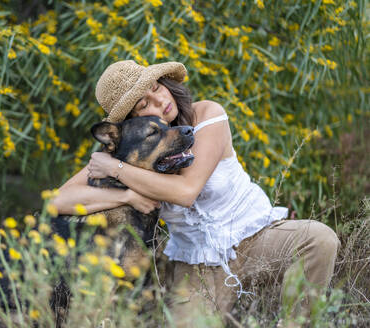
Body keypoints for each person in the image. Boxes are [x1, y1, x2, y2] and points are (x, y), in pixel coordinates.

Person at [51, 60, 340, 326]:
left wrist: (116, 169)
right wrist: (125, 196)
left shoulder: (207, 115)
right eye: (143, 104)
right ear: (131, 121)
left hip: (256, 238)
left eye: (156, 88)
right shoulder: (133, 149)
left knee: (319, 239)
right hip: (196, 263)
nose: (160, 101)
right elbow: (58, 200)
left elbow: (186, 191)